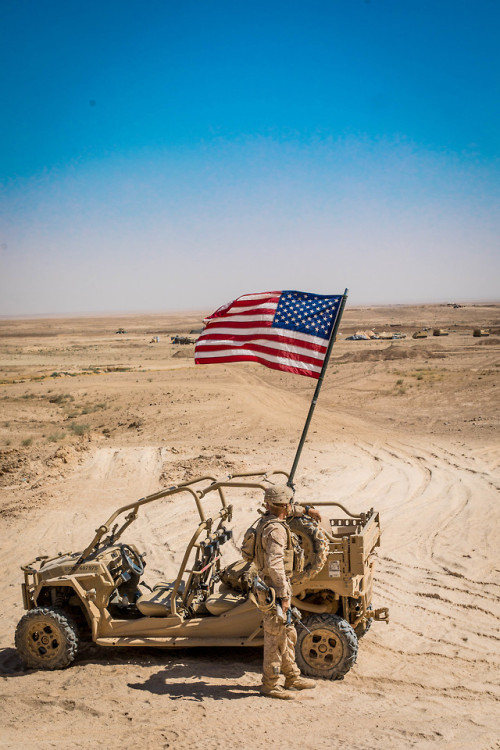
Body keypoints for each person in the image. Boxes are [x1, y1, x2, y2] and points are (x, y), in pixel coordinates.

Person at [255, 483, 322, 700]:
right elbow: (275, 565)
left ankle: (292, 676)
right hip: (274, 591)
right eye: (289, 503)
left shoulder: (271, 516)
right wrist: (283, 595)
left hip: (277, 587)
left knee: (288, 633)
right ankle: (270, 684)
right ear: (283, 505)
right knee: (275, 639)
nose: (291, 506)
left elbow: (291, 510)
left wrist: (308, 510)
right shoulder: (275, 531)